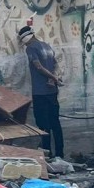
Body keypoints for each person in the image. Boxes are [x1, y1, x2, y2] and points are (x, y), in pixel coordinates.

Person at [18, 26, 64, 158]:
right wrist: (54, 77)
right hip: (52, 91)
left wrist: (52, 78)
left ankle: (47, 154)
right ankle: (60, 153)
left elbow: (38, 66)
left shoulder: (31, 48)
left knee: (43, 125)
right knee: (55, 123)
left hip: (40, 92)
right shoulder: (47, 46)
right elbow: (56, 65)